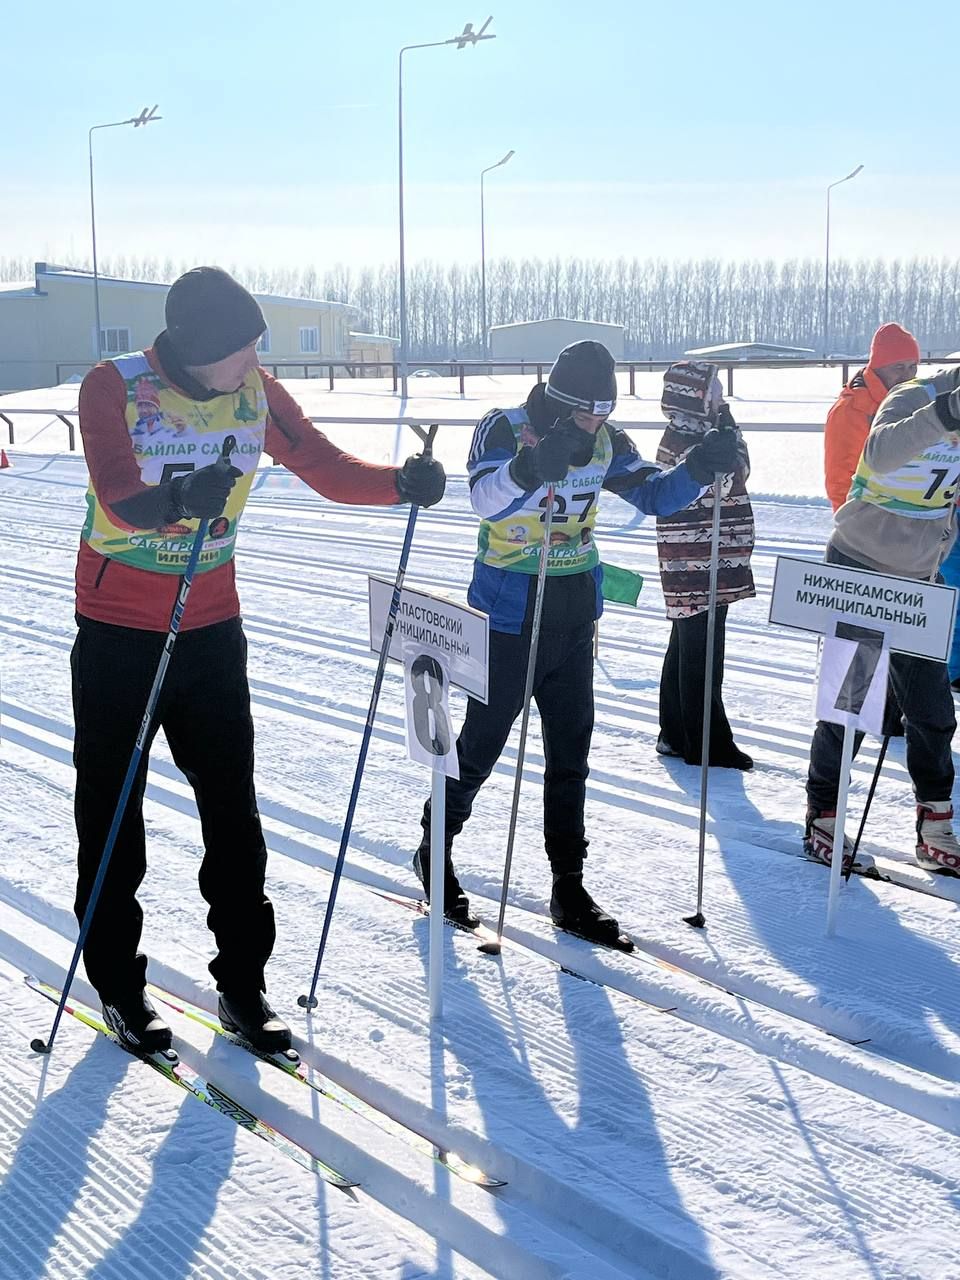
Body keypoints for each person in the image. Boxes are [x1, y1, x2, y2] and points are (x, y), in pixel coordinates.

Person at [74, 266, 445, 1054]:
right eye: (237, 352)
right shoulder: (114, 387)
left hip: (211, 626)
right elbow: (114, 492)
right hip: (118, 631)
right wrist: (176, 500)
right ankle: (117, 985)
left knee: (233, 817)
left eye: (256, 348)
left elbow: (325, 466)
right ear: (193, 350)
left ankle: (243, 985)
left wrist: (400, 484)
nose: (252, 364)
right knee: (114, 817)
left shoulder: (258, 394)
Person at [411, 340, 738, 942]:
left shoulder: (608, 442)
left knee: (571, 757)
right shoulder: (504, 428)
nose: (597, 426)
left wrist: (700, 466)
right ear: (558, 403)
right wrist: (530, 469)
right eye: (587, 414)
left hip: (572, 612)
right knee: (481, 746)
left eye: (604, 414)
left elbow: (655, 494)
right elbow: (484, 500)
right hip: (508, 610)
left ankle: (569, 885)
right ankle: (435, 851)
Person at [805, 363, 960, 872]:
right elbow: (880, 453)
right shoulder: (912, 397)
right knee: (851, 705)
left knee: (933, 711)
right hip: (861, 568)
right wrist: (944, 414)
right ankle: (823, 815)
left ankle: (935, 825)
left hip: (920, 580)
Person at [654, 363, 755, 769]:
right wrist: (730, 447)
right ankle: (707, 741)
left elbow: (740, 470)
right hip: (696, 559)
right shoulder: (682, 440)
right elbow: (729, 480)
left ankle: (675, 732)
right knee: (703, 651)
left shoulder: (708, 432)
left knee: (688, 643)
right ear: (694, 396)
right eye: (712, 390)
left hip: (712, 555)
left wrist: (732, 433)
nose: (720, 396)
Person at [823, 323, 920, 512]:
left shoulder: (912, 401)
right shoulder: (851, 410)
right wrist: (851, 527)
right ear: (878, 366)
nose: (907, 376)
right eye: (898, 367)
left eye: (912, 367)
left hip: (909, 519)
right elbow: (840, 480)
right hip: (869, 524)